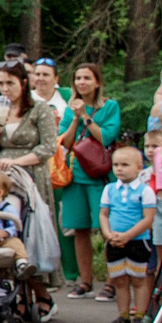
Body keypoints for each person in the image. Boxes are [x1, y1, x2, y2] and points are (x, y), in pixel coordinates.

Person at [0, 62, 62, 313]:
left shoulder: (39, 109)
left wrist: (17, 161)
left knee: (31, 233)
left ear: (23, 83)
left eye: (10, 83)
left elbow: (48, 147)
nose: (5, 89)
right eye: (1, 84)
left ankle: (42, 294)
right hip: (2, 178)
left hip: (30, 175)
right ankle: (16, 294)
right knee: (6, 231)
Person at [56, 64, 121, 300]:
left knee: (106, 230)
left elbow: (105, 137)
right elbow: (66, 142)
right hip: (76, 175)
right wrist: (74, 118)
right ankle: (85, 281)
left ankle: (113, 281)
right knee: (79, 228)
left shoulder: (110, 107)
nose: (81, 82)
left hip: (100, 175)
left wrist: (85, 115)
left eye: (86, 78)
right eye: (78, 78)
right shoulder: (68, 110)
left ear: (97, 82)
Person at [98, 144, 157, 323]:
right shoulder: (109, 189)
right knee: (119, 279)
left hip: (138, 241)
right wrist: (108, 234)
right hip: (114, 241)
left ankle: (140, 316)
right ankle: (123, 315)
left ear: (139, 167)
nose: (119, 169)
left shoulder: (145, 191)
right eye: (116, 165)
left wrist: (128, 235)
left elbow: (148, 218)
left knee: (138, 279)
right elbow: (104, 214)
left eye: (125, 165)